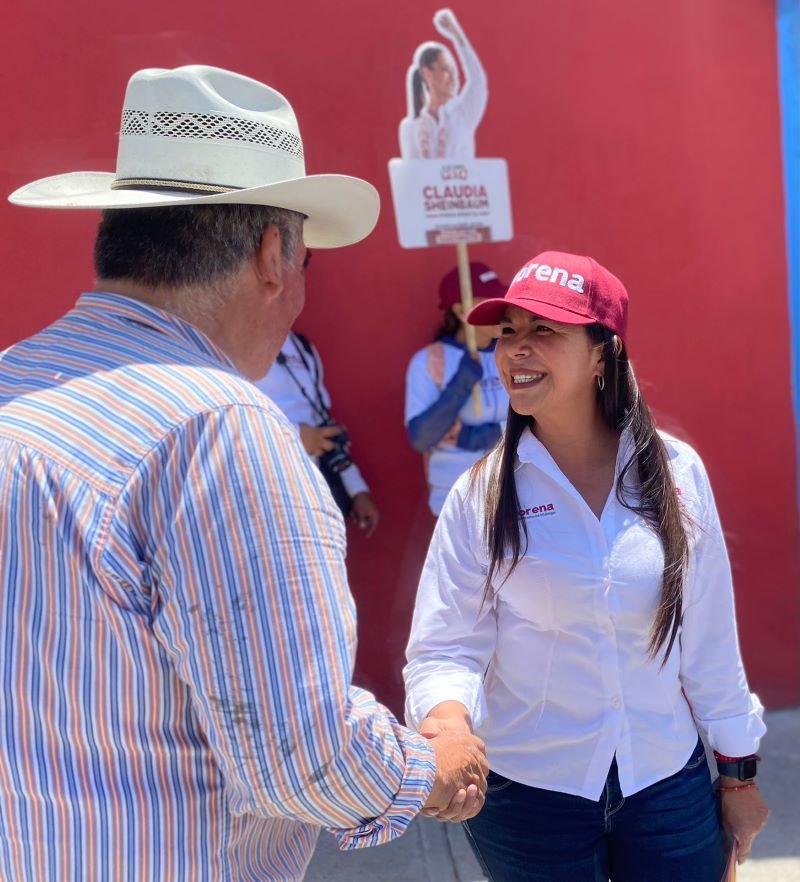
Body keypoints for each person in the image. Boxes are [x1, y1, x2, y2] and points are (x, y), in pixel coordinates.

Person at [0, 65, 488, 882]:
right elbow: (301, 757)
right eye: (304, 262)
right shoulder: (219, 429)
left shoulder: (15, 381)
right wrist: (436, 770)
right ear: (272, 256)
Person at [404, 251, 770, 881]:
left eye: (544, 331)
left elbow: (709, 640)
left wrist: (737, 777)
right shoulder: (481, 495)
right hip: (529, 798)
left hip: (665, 783)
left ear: (604, 352)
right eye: (508, 333)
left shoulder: (675, 475)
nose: (517, 350)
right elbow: (445, 649)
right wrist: (447, 726)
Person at [405, 261, 509, 515]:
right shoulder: (429, 362)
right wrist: (461, 383)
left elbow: (539, 422)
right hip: (457, 504)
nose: (503, 309)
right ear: (461, 309)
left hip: (514, 497)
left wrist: (481, 435)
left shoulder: (515, 353)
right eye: (490, 302)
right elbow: (421, 438)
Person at [255, 326, 381, 535]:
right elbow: (227, 424)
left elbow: (323, 422)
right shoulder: (227, 344)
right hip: (269, 497)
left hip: (315, 493)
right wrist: (293, 438)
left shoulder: (301, 346)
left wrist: (357, 490)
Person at [398, 8, 487, 160]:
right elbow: (410, 177)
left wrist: (456, 35)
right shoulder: (411, 127)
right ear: (428, 73)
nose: (453, 77)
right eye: (446, 70)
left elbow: (478, 81)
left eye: (454, 71)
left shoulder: (464, 114)